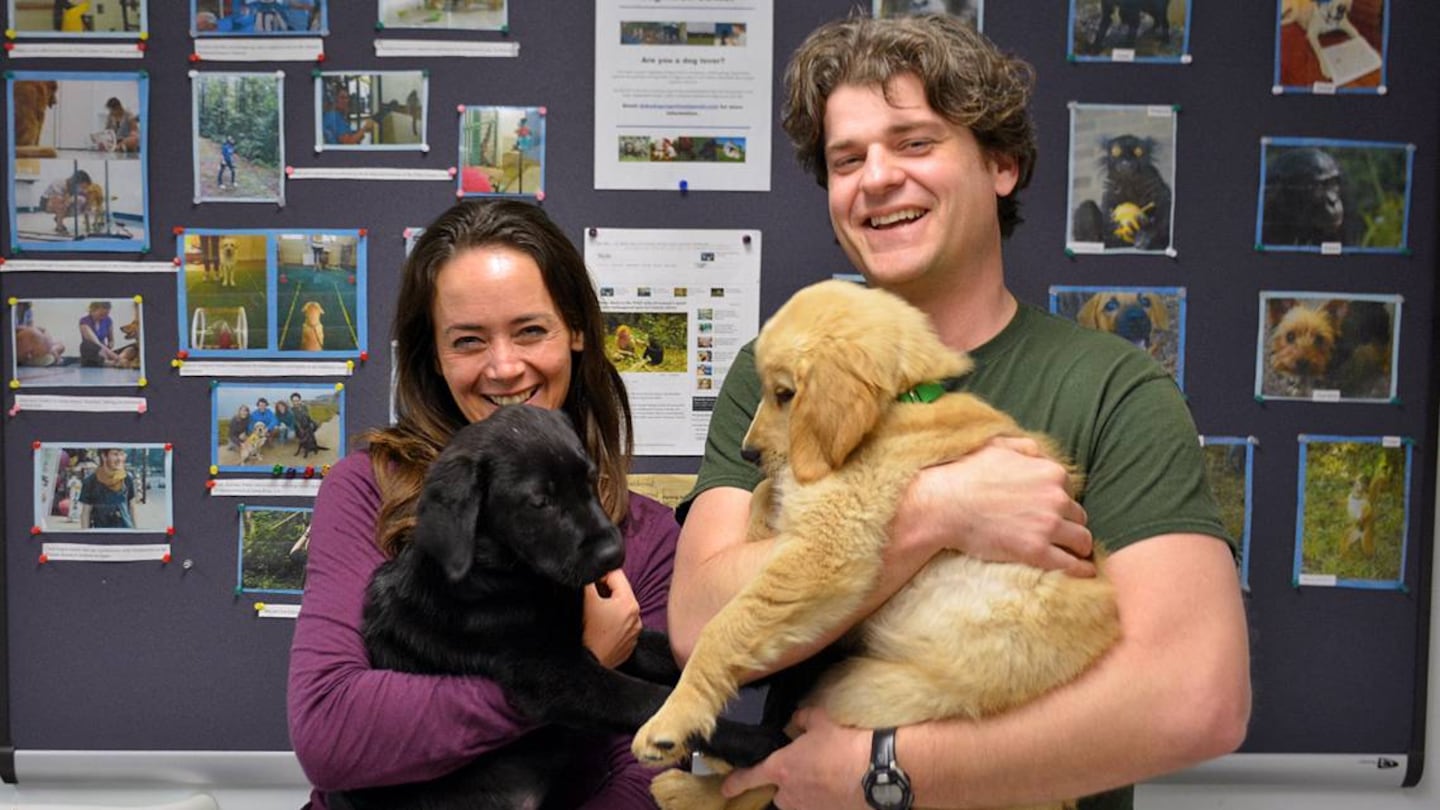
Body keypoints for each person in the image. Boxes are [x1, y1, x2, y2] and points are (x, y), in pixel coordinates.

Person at [667, 15, 1251, 810]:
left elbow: (1196, 701)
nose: (875, 178)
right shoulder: (780, 368)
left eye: (914, 143)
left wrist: (886, 772)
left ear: (1001, 163)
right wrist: (936, 510)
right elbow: (700, 626)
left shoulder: (1112, 389)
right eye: (847, 159)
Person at [288, 199, 678, 808]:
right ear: (435, 359)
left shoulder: (644, 537)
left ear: (575, 330)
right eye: (468, 340)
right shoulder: (368, 490)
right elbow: (331, 732)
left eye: (530, 330)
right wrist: (571, 676)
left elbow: (650, 763)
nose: (503, 367)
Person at [79, 448, 137, 529]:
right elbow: (86, 512)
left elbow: (132, 507)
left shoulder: (127, 479)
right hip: (101, 532)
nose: (119, 458)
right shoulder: (91, 481)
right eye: (115, 454)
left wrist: (135, 532)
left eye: (121, 454)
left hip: (125, 530)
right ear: (104, 456)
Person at [39, 170, 93, 236]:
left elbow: (86, 197)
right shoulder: (59, 183)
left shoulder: (76, 187)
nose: (82, 189)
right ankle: (59, 227)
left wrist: (87, 205)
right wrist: (70, 200)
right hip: (46, 203)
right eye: (82, 186)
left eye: (84, 187)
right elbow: (62, 201)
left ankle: (58, 218)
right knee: (61, 202)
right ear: (77, 182)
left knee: (81, 201)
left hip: (62, 202)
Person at [322, 82, 376, 146]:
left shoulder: (336, 115)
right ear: (335, 99)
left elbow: (346, 135)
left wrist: (359, 134)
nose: (345, 101)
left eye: (347, 98)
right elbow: (348, 142)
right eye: (342, 98)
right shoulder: (334, 117)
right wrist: (364, 128)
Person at [77, 300, 124, 367]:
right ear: (93, 310)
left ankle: (114, 361)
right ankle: (111, 362)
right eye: (101, 314)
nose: (104, 317)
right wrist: (117, 358)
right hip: (92, 351)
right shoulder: (84, 321)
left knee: (130, 349)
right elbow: (97, 343)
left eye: (106, 314)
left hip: (105, 351)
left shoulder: (108, 320)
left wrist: (110, 344)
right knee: (85, 345)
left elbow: (111, 340)